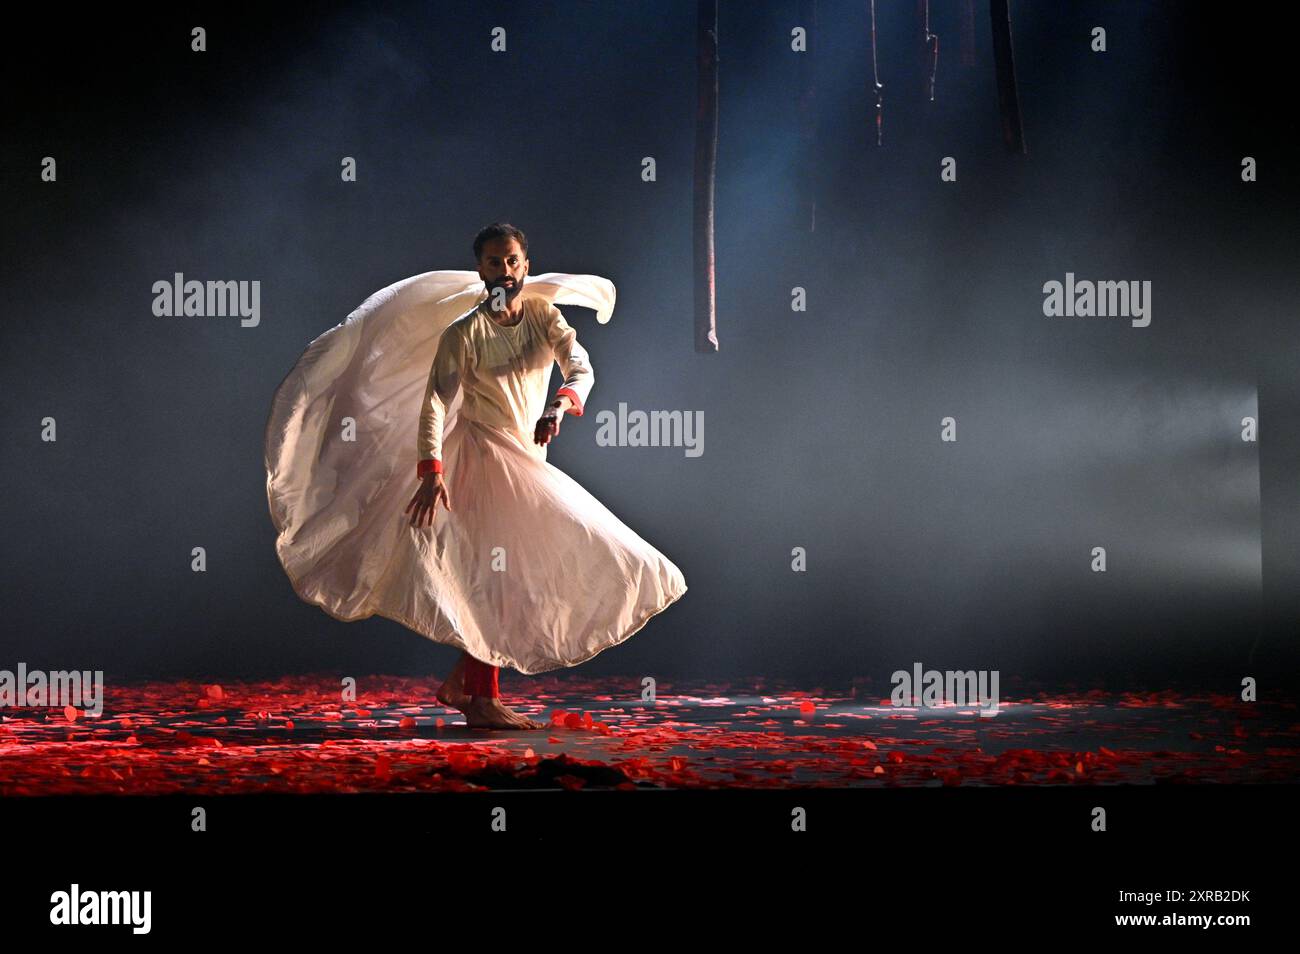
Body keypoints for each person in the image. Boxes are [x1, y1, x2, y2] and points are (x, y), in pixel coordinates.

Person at [396, 223, 687, 729]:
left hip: (527, 459)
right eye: (493, 262)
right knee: (501, 576)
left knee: (519, 573)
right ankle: (480, 696)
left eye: (512, 261)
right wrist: (431, 471)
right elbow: (435, 404)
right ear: (480, 270)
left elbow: (581, 367)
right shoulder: (464, 333)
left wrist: (559, 406)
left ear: (525, 265)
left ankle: (466, 683)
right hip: (485, 457)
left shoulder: (542, 315)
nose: (504, 271)